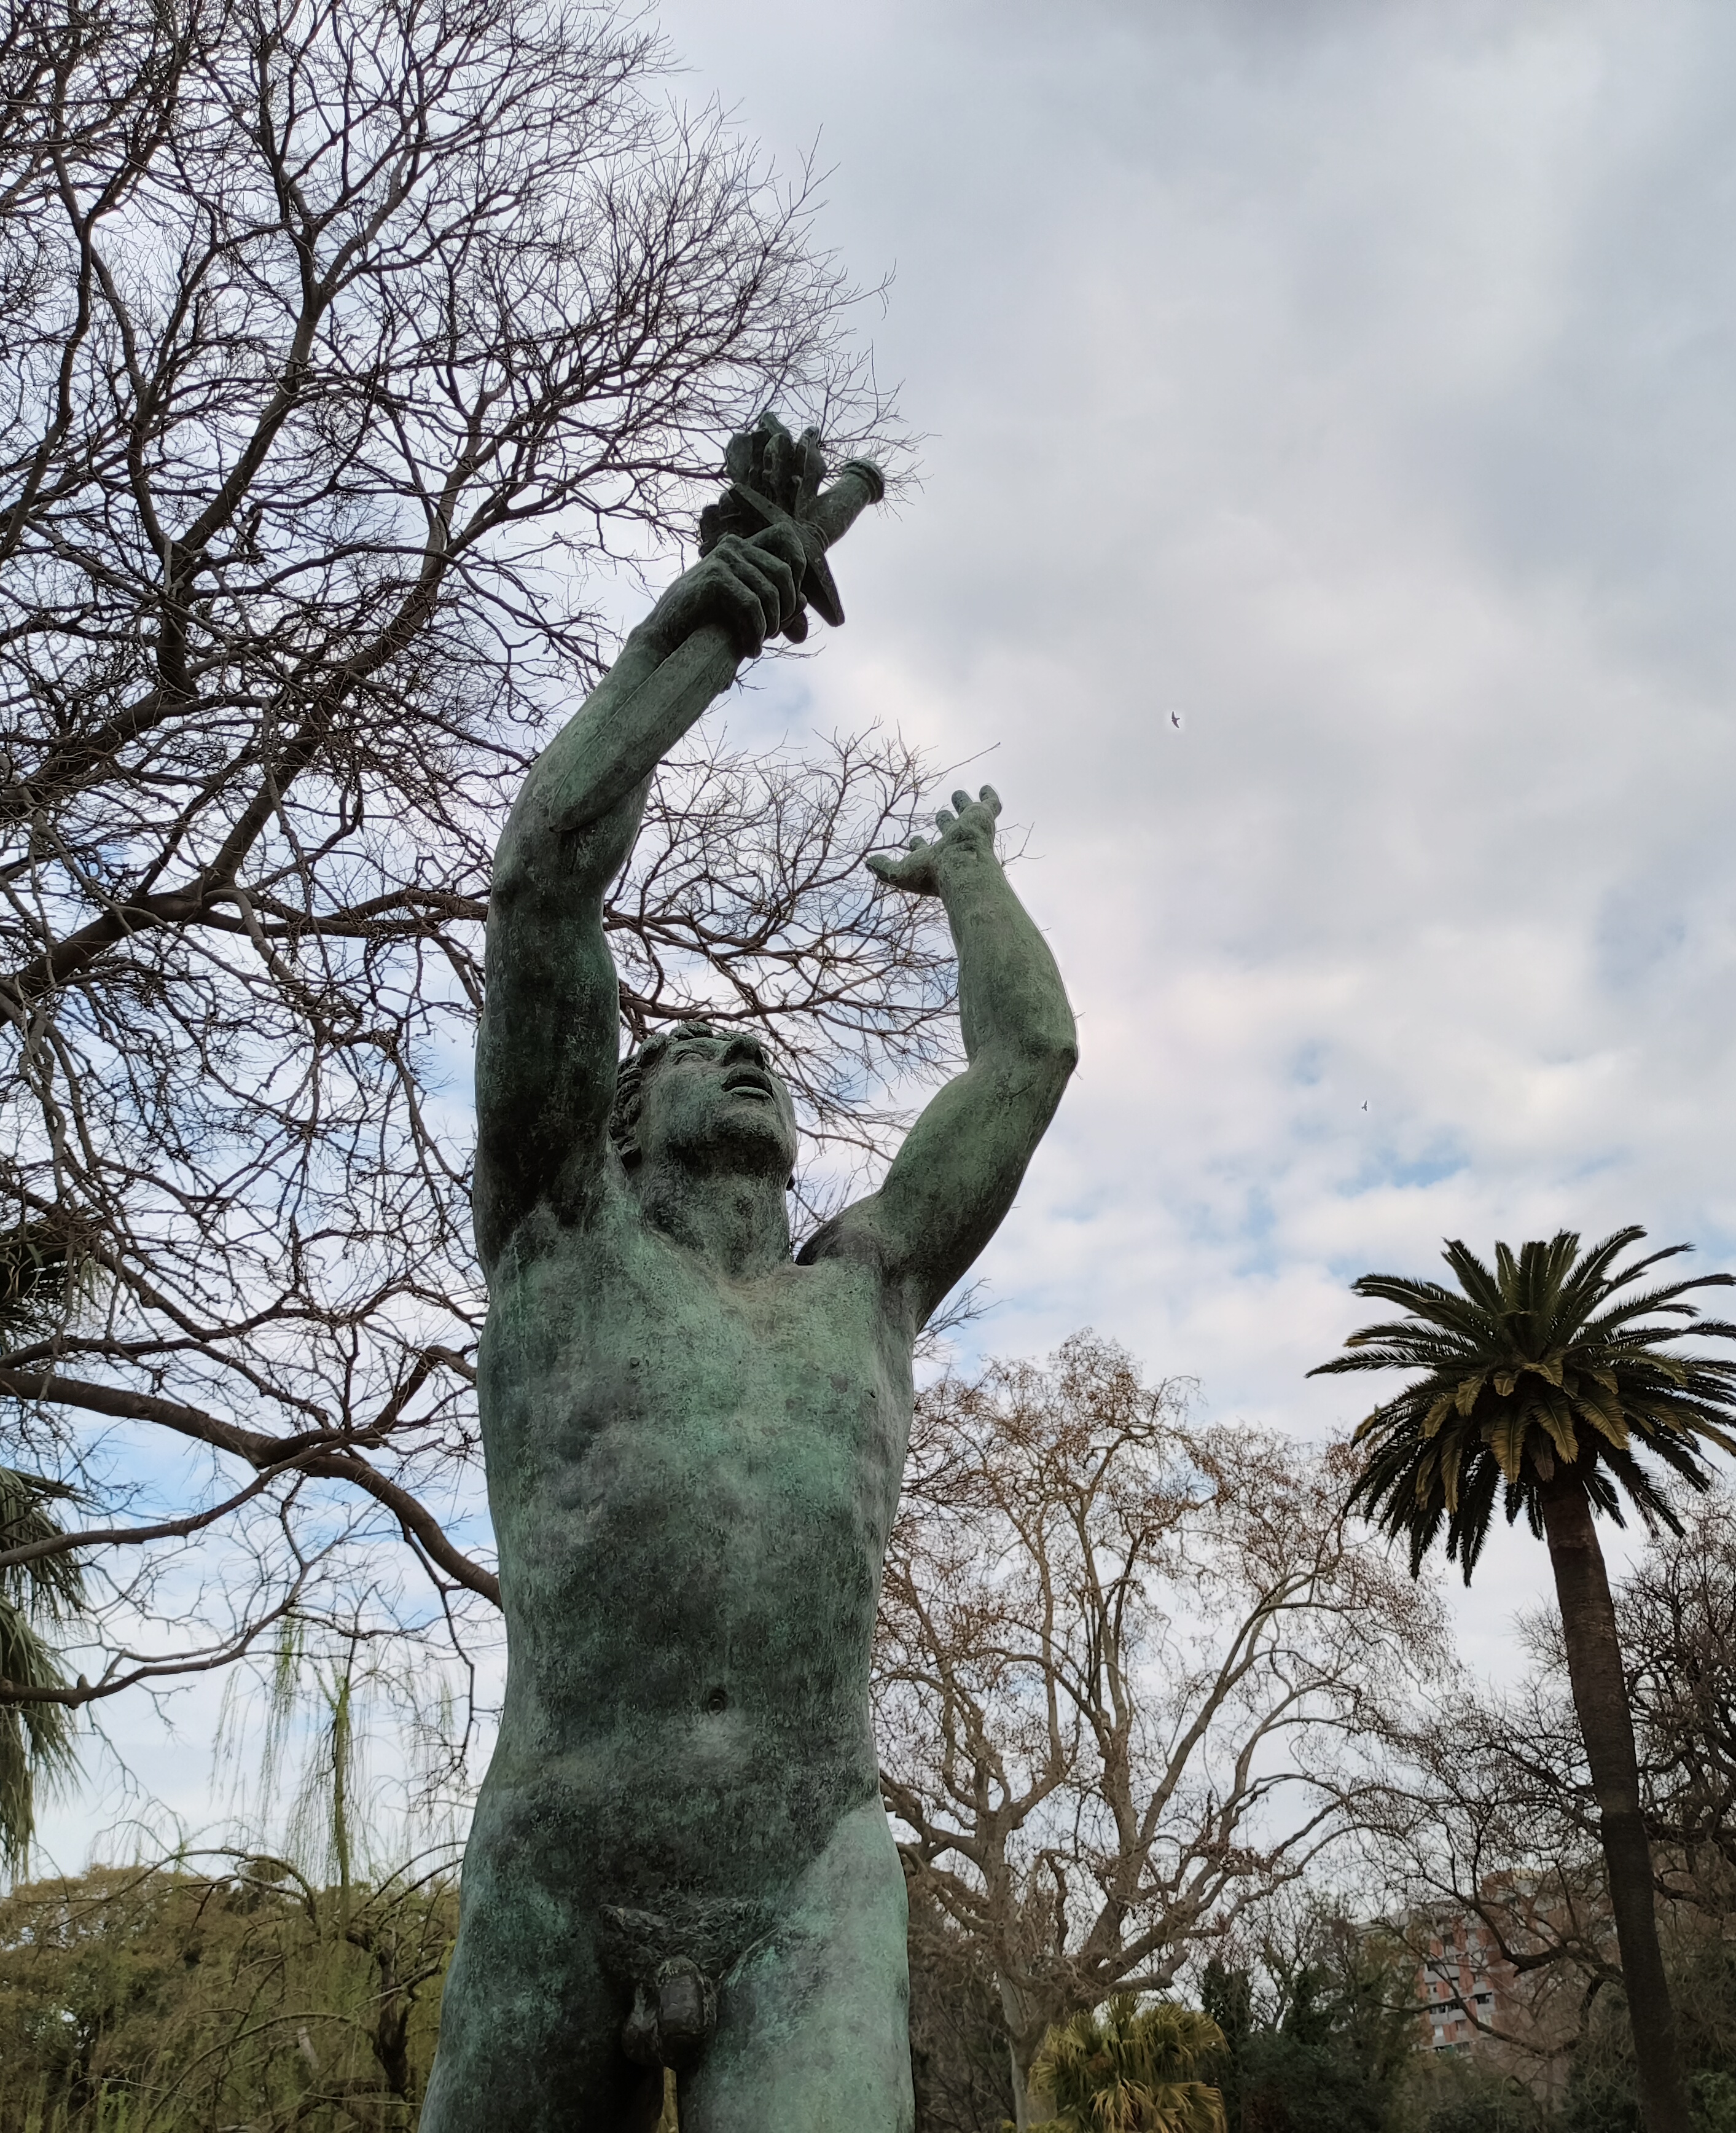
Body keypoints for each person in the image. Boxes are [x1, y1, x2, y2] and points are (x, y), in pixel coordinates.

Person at [420, 452, 1077, 2132]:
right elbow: (543, 877)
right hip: (564, 1850)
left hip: (803, 1859)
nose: (746, 1063)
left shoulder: (866, 1286)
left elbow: (1031, 1056)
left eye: (762, 1054)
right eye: (701, 1053)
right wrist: (727, 603)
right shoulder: (558, 1235)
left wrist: (970, 878)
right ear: (622, 1121)